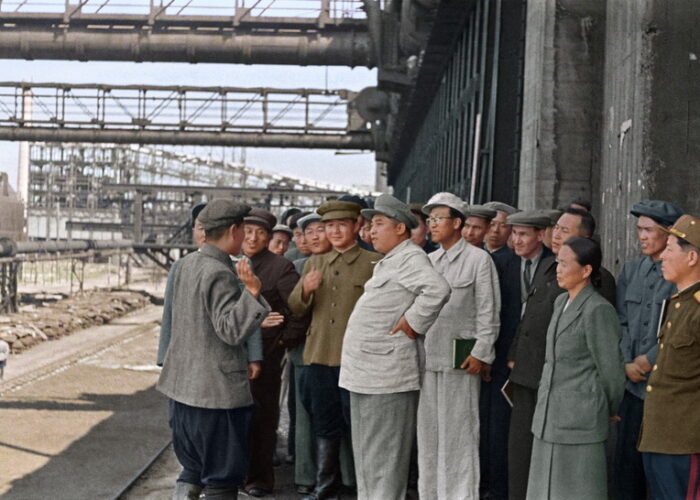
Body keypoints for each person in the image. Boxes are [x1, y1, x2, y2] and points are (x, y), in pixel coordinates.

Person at [157, 199, 271, 500]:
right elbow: (230, 331)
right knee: (222, 477)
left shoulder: (185, 265)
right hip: (216, 398)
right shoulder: (219, 272)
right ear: (234, 230)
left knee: (192, 469)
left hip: (183, 392)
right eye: (244, 229)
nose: (246, 236)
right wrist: (253, 292)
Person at [339, 193, 451, 500]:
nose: (371, 231)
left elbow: (437, 289)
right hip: (368, 374)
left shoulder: (410, 258)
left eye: (378, 224)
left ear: (400, 228)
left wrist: (413, 322)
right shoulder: (391, 260)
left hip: (387, 376)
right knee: (368, 458)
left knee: (384, 462)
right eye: (371, 224)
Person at [288, 200, 380, 500]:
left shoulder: (373, 263)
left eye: (342, 225)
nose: (335, 231)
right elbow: (296, 308)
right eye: (329, 226)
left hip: (357, 359)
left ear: (357, 226)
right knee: (325, 425)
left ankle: (364, 488)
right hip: (319, 356)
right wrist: (306, 289)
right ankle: (325, 487)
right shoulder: (315, 263)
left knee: (361, 426)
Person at [527, 236, 625, 499]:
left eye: (565, 264)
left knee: (577, 490)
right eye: (557, 263)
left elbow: (611, 371)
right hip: (549, 414)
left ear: (586, 270)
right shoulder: (560, 302)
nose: (558, 270)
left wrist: (607, 408)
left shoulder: (598, 310)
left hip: (580, 420)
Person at [418, 193, 500, 499]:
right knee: (428, 436)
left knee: (459, 436)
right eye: (430, 220)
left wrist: (481, 352)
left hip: (461, 360)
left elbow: (489, 312)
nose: (432, 225)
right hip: (428, 360)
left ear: (457, 223)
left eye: (438, 219)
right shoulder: (428, 261)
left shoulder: (479, 260)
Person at [613, 199, 683, 500]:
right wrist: (626, 362)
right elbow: (620, 321)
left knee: (658, 474)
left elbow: (679, 327)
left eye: (648, 230)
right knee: (626, 469)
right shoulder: (631, 270)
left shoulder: (678, 274)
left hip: (661, 388)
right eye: (639, 229)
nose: (641, 236)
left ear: (669, 233)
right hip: (631, 386)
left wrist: (649, 360)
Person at [241, 209, 308, 498]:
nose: (252, 238)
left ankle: (259, 478)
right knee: (232, 416)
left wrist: (283, 341)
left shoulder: (280, 267)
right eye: (247, 232)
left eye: (260, 233)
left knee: (263, 415)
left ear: (268, 237)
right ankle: (233, 474)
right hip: (232, 351)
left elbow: (298, 311)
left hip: (267, 353)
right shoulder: (230, 262)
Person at [157, 202, 262, 374]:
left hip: (226, 357)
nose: (204, 234)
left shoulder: (241, 264)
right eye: (200, 228)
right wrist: (164, 358)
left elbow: (248, 310)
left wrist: (254, 356)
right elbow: (170, 314)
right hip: (192, 358)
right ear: (193, 230)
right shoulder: (181, 266)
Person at [638, 214, 700, 499]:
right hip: (659, 437)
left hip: (685, 440)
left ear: (692, 258)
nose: (662, 256)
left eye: (670, 249)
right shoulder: (679, 303)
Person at [504, 211, 556, 500]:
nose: (516, 240)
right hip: (514, 362)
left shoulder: (553, 265)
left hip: (541, 365)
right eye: (514, 234)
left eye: (523, 234)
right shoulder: (507, 263)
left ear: (540, 235)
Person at [550, 208, 617, 305]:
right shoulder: (547, 267)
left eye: (565, 231)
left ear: (584, 238)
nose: (556, 235)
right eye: (556, 228)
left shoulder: (600, 278)